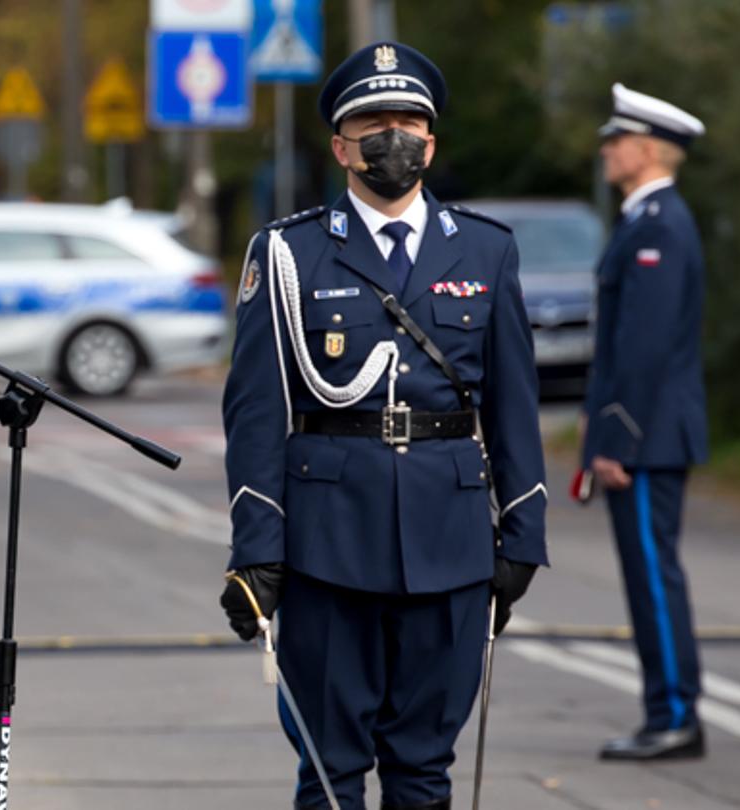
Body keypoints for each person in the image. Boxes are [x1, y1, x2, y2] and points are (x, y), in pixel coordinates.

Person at [217, 42, 548, 809]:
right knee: (330, 770)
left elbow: (512, 404)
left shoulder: (487, 250)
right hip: (328, 542)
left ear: (431, 142)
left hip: (452, 540)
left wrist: (523, 531)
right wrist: (258, 550)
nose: (390, 136)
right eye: (371, 121)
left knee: (425, 767)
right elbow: (256, 411)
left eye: (407, 121)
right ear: (340, 143)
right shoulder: (289, 252)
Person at [584, 83, 709, 762]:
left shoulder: (658, 223)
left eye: (615, 140)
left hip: (649, 437)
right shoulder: (645, 219)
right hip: (648, 433)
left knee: (655, 578)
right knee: (647, 575)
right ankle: (670, 708)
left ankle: (676, 715)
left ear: (645, 148)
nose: (605, 151)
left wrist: (615, 441)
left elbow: (644, 346)